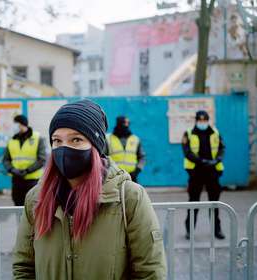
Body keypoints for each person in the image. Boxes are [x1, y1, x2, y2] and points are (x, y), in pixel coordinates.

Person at [12, 100, 166, 279]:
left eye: (76, 139)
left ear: (96, 146)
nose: (64, 148)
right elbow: (23, 267)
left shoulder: (130, 197)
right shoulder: (36, 198)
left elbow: (150, 272)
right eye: (57, 140)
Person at [182, 110, 225, 240]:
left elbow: (222, 148)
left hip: (212, 171)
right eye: (200, 120)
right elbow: (187, 152)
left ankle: (217, 230)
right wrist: (201, 161)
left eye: (204, 120)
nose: (202, 123)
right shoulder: (188, 133)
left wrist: (216, 160)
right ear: (196, 120)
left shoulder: (215, 132)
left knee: (214, 204)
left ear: (208, 120)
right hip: (196, 172)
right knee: (193, 203)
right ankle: (189, 231)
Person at [3, 115, 46, 206]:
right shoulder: (12, 140)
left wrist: (27, 171)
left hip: (33, 180)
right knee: (18, 206)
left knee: (33, 207)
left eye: (15, 124)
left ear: (22, 124)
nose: (13, 127)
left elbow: (42, 159)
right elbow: (6, 159)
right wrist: (12, 169)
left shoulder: (38, 138)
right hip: (16, 180)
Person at [106, 116, 145, 183]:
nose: (126, 125)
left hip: (132, 177)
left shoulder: (135, 139)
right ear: (118, 124)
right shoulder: (108, 138)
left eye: (128, 123)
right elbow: (103, 157)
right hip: (114, 177)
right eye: (124, 123)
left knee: (134, 193)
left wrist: (137, 170)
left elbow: (142, 157)